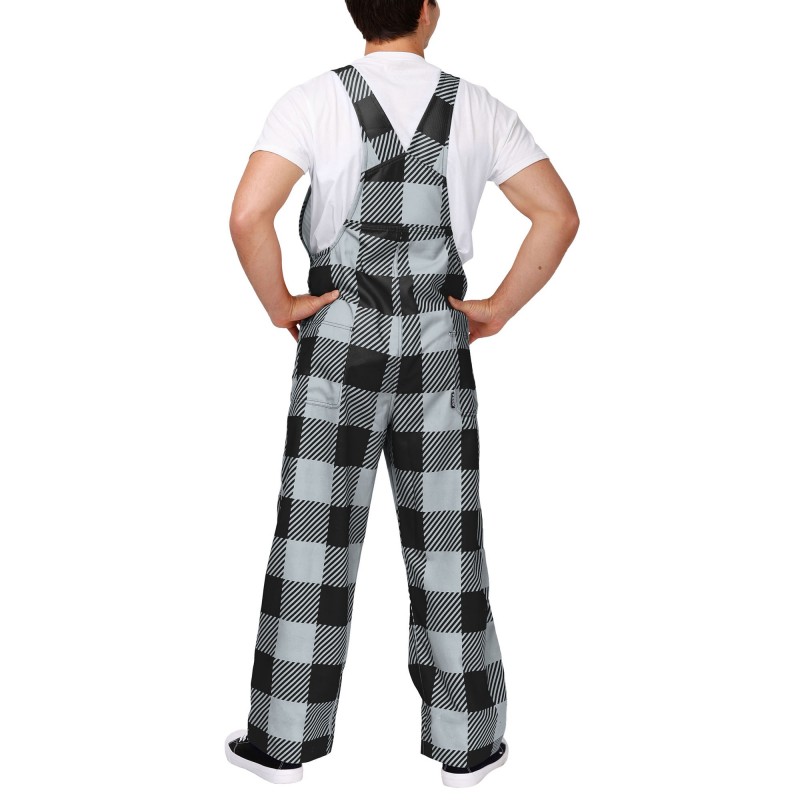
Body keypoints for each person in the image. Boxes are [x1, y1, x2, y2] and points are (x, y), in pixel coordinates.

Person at [225, 0, 579, 788]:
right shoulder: (479, 107)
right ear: (428, 10)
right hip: (436, 342)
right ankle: (468, 747)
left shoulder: (311, 101)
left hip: (339, 339)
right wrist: (497, 308)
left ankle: (281, 745)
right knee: (447, 541)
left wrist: (280, 305)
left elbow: (249, 214)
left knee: (314, 538)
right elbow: (558, 215)